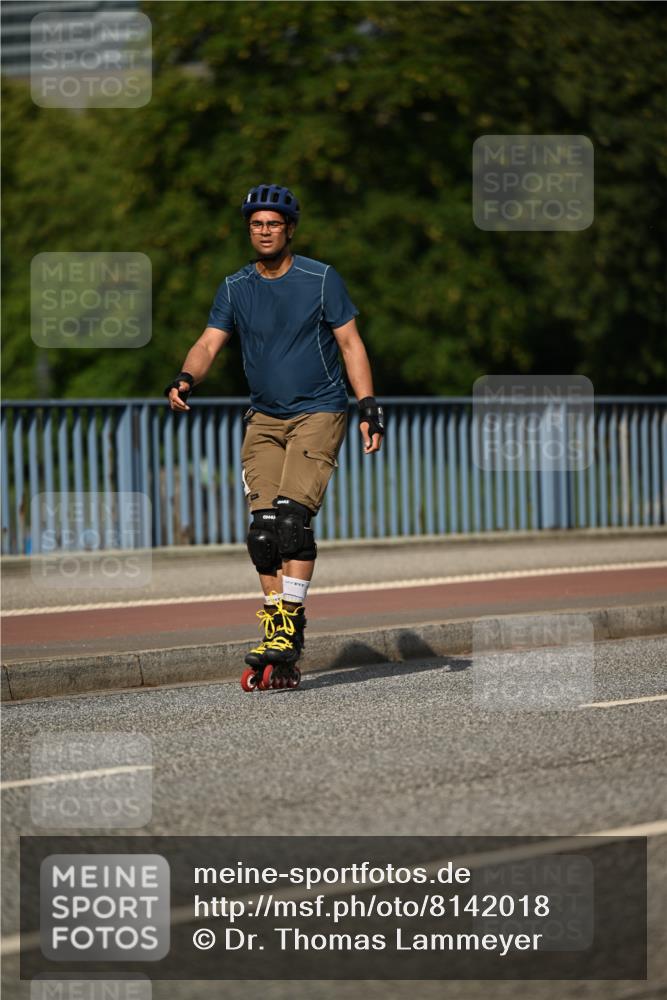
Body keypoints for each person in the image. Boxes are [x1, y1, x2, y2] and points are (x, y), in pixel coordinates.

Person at [165, 183, 384, 687]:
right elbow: (208, 342)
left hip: (319, 411)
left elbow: (351, 344)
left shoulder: (321, 279)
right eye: (256, 225)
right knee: (263, 532)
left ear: (290, 229)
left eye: (273, 224)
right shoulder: (235, 286)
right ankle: (277, 628)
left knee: (291, 521)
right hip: (263, 418)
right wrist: (185, 377)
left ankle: (291, 623)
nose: (264, 232)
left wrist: (368, 407)